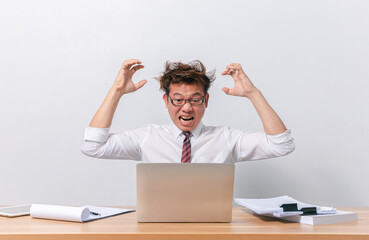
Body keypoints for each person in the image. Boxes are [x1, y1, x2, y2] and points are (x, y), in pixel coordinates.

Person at [81, 59, 295, 163]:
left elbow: (281, 145)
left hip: (214, 229)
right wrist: (117, 90)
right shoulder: (147, 137)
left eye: (195, 100)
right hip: (159, 227)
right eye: (178, 100)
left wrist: (253, 93)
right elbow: (93, 146)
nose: (186, 108)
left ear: (206, 101)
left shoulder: (227, 138)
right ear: (166, 100)